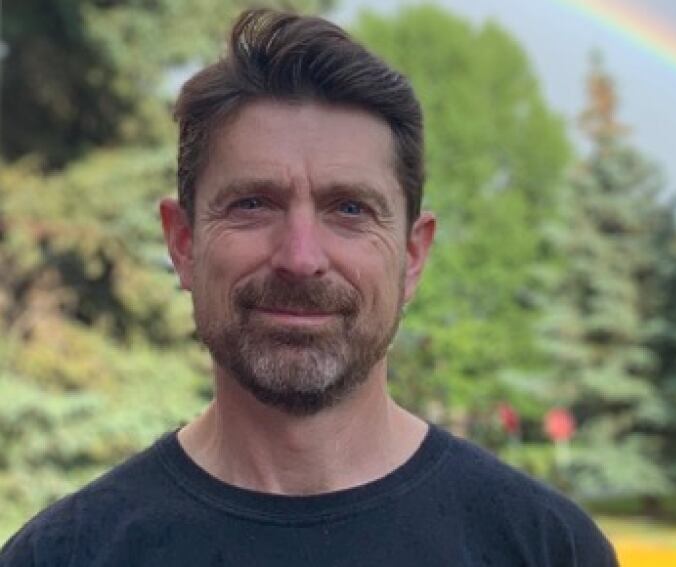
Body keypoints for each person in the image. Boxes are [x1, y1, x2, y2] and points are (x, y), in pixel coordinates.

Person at [1, 9, 617, 566]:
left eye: (349, 209)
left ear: (412, 254)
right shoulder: (63, 555)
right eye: (252, 203)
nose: (300, 258)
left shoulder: (544, 548)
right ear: (183, 243)